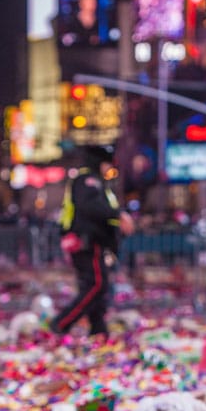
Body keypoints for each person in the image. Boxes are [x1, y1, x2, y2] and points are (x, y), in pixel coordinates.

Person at [49, 145, 131, 338]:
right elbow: (92, 208)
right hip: (88, 243)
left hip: (94, 243)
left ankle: (98, 330)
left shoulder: (96, 182)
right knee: (96, 285)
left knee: (97, 289)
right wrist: (119, 215)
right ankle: (61, 323)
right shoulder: (88, 180)